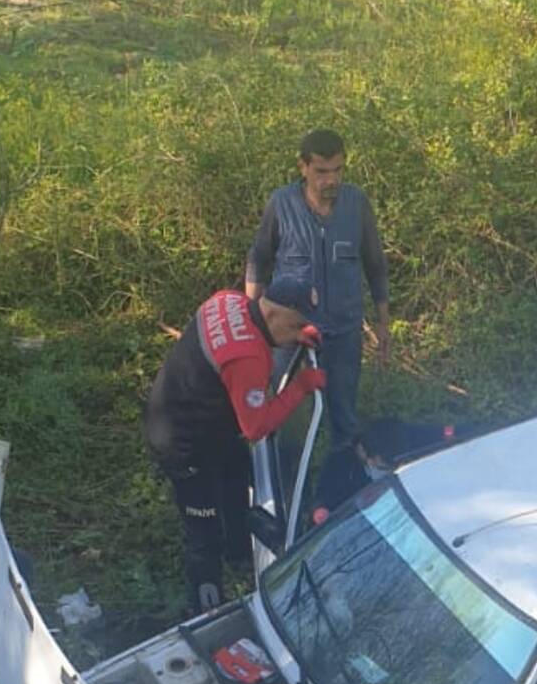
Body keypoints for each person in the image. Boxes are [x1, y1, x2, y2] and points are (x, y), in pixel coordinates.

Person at [145, 275, 325, 613]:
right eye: (296, 324)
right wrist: (300, 388)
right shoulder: (248, 359)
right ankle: (207, 608)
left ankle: (241, 554)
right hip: (181, 439)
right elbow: (256, 427)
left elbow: (262, 334)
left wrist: (297, 335)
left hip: (200, 414)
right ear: (273, 316)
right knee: (204, 534)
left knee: (237, 475)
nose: (297, 332)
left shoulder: (229, 300)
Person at [244, 129, 390, 453]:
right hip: (290, 335)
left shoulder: (356, 204)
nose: (331, 179)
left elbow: (375, 263)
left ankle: (341, 485)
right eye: (322, 171)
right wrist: (251, 326)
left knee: (345, 418)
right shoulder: (281, 204)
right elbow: (259, 261)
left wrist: (383, 324)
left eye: (337, 170)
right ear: (303, 167)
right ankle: (292, 496)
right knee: (286, 423)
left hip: (343, 332)